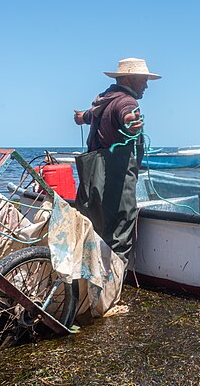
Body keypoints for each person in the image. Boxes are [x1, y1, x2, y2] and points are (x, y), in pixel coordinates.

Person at [73, 57, 161, 262]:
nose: (147, 85)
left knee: (92, 233)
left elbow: (86, 116)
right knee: (118, 238)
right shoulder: (127, 102)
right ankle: (109, 291)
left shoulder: (103, 101)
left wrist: (80, 118)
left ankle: (83, 289)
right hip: (115, 183)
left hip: (91, 182)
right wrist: (132, 123)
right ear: (129, 78)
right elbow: (128, 115)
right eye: (144, 80)